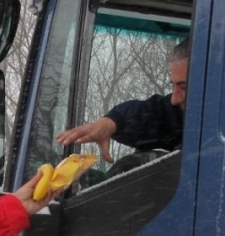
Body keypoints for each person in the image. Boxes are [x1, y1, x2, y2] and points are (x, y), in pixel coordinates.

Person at [56, 38, 190, 163]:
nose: (174, 99)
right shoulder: (177, 117)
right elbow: (154, 114)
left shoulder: (203, 148)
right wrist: (112, 122)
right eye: (172, 86)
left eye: (183, 87)